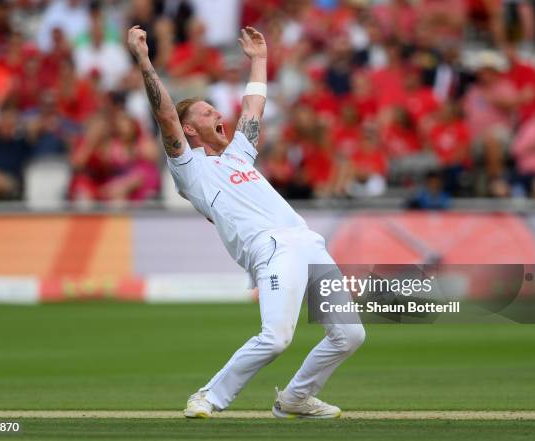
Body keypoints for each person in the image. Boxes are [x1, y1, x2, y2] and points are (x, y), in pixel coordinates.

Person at [127, 25, 365, 419]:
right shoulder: (190, 169)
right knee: (275, 338)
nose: (218, 113)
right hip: (271, 248)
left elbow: (253, 109)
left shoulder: (238, 155)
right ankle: (208, 397)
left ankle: (294, 399)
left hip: (307, 241)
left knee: (350, 335)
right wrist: (145, 61)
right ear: (189, 130)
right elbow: (165, 114)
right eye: (206, 113)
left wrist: (259, 59)